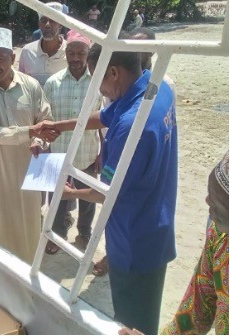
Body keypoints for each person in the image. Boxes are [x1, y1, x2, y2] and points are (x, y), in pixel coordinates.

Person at [49, 34, 177, 333]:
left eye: (98, 78)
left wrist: (67, 192)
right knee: (145, 310)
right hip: (155, 221)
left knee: (133, 324)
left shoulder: (131, 128)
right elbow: (106, 115)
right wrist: (61, 125)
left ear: (114, 72)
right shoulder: (156, 89)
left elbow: (103, 191)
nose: (100, 88)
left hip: (134, 239)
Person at [0, 27, 59, 263]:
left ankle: (28, 272)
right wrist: (31, 132)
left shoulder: (30, 85)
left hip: (29, 165)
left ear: (13, 58)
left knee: (28, 222)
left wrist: (38, 140)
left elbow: (44, 120)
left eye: (0, 59)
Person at [120, 152, 229, 335]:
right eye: (210, 192)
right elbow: (196, 315)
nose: (207, 201)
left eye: (218, 202)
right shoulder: (219, 236)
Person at [43, 30, 101, 255]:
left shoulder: (99, 83)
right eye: (71, 53)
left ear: (88, 54)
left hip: (87, 152)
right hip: (59, 153)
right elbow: (45, 119)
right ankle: (56, 234)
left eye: (81, 53)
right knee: (56, 197)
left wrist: (102, 152)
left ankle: (84, 233)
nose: (76, 58)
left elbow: (104, 119)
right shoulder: (52, 83)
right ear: (65, 53)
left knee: (88, 198)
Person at [19, 1, 67, 86]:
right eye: (44, 20)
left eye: (52, 20)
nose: (47, 25)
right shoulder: (27, 51)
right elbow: (22, 84)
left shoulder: (69, 52)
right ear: (39, 24)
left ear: (60, 24)